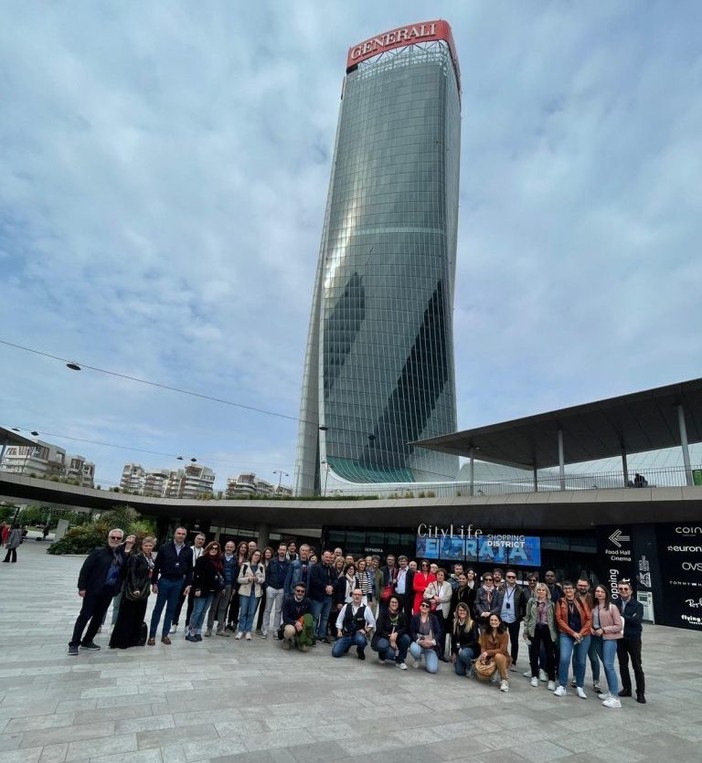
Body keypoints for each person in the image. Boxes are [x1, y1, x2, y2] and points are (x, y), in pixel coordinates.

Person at [67, 529, 135, 654]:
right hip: (93, 590)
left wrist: (128, 549)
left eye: (118, 538)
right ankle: (74, 643)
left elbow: (124, 571)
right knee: (85, 616)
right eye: (113, 537)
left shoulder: (120, 555)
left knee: (98, 618)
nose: (115, 540)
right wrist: (81, 587)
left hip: (108, 591)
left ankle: (87, 640)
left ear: (121, 540)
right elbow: (85, 570)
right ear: (108, 538)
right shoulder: (98, 552)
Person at [148, 527, 193, 646]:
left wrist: (188, 584)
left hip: (178, 582)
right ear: (174, 534)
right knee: (158, 608)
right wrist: (154, 583)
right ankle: (152, 635)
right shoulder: (164, 547)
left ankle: (165, 635)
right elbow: (156, 566)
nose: (181, 535)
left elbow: (189, 569)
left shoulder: (188, 550)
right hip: (165, 581)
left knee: (171, 610)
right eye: (179, 533)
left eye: (183, 534)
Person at [109, 536, 155, 649]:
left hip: (144, 590)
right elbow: (132, 573)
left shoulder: (150, 558)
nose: (148, 547)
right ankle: (121, 641)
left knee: (138, 615)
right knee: (127, 615)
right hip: (134, 590)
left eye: (150, 546)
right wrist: (135, 588)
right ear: (142, 546)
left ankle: (134, 639)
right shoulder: (136, 557)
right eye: (146, 545)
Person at [553, 581, 592, 698]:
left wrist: (580, 633)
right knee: (564, 659)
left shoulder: (581, 601)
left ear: (574, 590)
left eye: (570, 589)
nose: (568, 591)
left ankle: (580, 686)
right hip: (566, 634)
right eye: (566, 589)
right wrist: (572, 633)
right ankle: (562, 685)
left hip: (583, 634)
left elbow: (589, 618)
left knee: (581, 661)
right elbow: (559, 619)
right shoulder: (560, 602)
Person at [590, 584, 623, 708]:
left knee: (609, 665)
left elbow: (618, 625)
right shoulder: (594, 607)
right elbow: (591, 621)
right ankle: (610, 691)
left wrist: (603, 630)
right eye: (597, 591)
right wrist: (592, 629)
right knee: (605, 664)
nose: (599, 593)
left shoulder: (612, 607)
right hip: (597, 638)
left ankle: (615, 697)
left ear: (606, 593)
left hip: (609, 638)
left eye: (601, 592)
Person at [186, 541, 224, 642]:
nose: (214, 550)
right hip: (201, 590)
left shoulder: (219, 561)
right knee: (197, 611)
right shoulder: (202, 559)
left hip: (212, 591)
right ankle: (190, 632)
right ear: (208, 548)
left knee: (203, 612)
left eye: (216, 549)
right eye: (212, 548)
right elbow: (196, 576)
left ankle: (198, 631)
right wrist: (197, 588)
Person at [616, 578, 646, 704]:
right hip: (620, 638)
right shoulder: (615, 604)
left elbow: (636, 621)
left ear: (631, 591)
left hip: (633, 639)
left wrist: (622, 616)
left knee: (637, 666)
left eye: (625, 589)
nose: (623, 591)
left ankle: (640, 693)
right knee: (623, 665)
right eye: (621, 589)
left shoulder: (638, 605)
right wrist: (629, 617)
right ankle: (626, 688)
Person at [523, 582, 557, 690]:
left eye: (543, 590)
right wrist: (526, 631)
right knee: (534, 653)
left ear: (547, 592)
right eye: (539, 590)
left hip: (547, 630)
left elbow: (554, 621)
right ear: (536, 591)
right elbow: (527, 617)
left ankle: (551, 679)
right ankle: (534, 676)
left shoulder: (551, 604)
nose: (541, 592)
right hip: (535, 628)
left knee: (549, 655)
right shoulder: (531, 602)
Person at [170, 531, 205, 634]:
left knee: (191, 605)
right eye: (199, 539)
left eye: (202, 540)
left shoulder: (204, 552)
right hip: (185, 579)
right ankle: (174, 624)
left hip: (196, 581)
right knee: (179, 602)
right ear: (195, 539)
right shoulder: (188, 549)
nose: (200, 541)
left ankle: (187, 625)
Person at [332, 588, 376, 660]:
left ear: (361, 597)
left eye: (359, 595)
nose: (357, 596)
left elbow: (372, 622)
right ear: (352, 596)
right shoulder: (346, 606)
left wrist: (366, 630)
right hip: (346, 634)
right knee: (336, 653)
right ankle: (347, 645)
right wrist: (339, 631)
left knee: (362, 640)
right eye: (355, 594)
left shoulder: (366, 609)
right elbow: (339, 620)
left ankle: (360, 650)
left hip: (357, 635)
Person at [372, 594, 410, 669]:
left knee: (406, 638)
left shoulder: (402, 615)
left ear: (398, 604)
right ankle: (382, 656)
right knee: (389, 652)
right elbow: (379, 629)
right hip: (382, 637)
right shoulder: (383, 613)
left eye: (396, 602)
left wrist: (396, 634)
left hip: (396, 637)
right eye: (392, 602)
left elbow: (405, 628)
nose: (394, 604)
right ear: (389, 603)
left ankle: (400, 661)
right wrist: (390, 637)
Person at [260, 542, 289, 638]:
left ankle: (276, 631)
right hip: (271, 588)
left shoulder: (289, 563)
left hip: (281, 589)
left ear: (286, 551)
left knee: (278, 611)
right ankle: (265, 630)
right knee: (267, 610)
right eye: (280, 549)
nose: (282, 551)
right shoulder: (273, 561)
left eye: (284, 550)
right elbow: (267, 574)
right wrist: (267, 586)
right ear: (278, 550)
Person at [235, 548, 265, 639]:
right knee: (243, 612)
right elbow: (239, 579)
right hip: (244, 592)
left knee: (251, 613)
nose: (257, 557)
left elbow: (263, 579)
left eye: (258, 555)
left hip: (255, 593)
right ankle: (240, 630)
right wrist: (248, 579)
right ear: (252, 555)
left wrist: (257, 579)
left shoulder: (261, 567)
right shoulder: (244, 565)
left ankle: (248, 631)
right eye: (255, 555)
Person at [423, 567, 452, 659]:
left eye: (442, 575)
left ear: (444, 576)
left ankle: (441, 653)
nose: (440, 576)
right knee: (433, 631)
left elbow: (448, 597)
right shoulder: (431, 584)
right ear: (436, 576)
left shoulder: (448, 585)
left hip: (442, 611)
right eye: (438, 575)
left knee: (442, 632)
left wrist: (439, 600)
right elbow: (425, 594)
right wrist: (433, 596)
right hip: (433, 611)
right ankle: (431, 652)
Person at [500, 568, 526, 669]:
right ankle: (502, 659)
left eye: (513, 577)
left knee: (514, 641)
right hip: (502, 617)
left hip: (514, 618)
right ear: (506, 578)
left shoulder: (520, 590)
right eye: (509, 577)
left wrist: (520, 617)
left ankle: (513, 661)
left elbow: (523, 605)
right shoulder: (501, 588)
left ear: (516, 578)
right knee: (502, 640)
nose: (511, 578)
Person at [478, 613, 512, 691]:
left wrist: (488, 652)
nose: (493, 622)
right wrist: (484, 656)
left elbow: (502, 650)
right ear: (489, 621)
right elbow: (482, 647)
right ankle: (494, 671)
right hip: (489, 659)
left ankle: (504, 680)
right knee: (481, 677)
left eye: (496, 620)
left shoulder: (504, 634)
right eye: (491, 620)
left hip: (502, 657)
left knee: (498, 656)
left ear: (499, 622)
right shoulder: (484, 632)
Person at [308, 549, 336, 643]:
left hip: (328, 597)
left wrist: (331, 587)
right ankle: (312, 636)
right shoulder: (316, 567)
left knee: (325, 617)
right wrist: (326, 587)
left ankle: (322, 635)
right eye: (326, 557)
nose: (328, 559)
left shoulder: (332, 568)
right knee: (315, 617)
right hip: (317, 597)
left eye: (329, 557)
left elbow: (336, 580)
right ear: (322, 556)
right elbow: (314, 580)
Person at [408, 600, 442, 673]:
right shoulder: (415, 617)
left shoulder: (434, 618)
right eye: (423, 605)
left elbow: (439, 632)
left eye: (427, 606)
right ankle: (417, 659)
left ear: (429, 609)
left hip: (431, 646)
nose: (424, 607)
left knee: (432, 670)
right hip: (419, 643)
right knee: (413, 648)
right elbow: (412, 632)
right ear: (420, 607)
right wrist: (418, 641)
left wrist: (432, 642)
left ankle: (429, 658)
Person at [450, 602, 480, 677]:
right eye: (460, 610)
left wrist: (462, 648)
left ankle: (470, 667)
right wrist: (454, 652)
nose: (462, 612)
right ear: (457, 611)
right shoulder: (454, 622)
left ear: (467, 612)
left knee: (463, 654)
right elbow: (454, 640)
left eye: (464, 610)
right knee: (459, 671)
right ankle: (466, 663)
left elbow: (475, 640)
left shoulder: (472, 623)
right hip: (460, 649)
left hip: (471, 649)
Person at [281, 584, 315, 651]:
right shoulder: (288, 601)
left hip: (302, 625)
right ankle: (287, 640)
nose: (300, 593)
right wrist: (295, 623)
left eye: (302, 591)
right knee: (290, 631)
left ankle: (298, 640)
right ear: (294, 591)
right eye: (298, 591)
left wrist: (303, 623)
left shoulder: (308, 602)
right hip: (290, 623)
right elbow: (285, 617)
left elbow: (311, 616)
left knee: (305, 649)